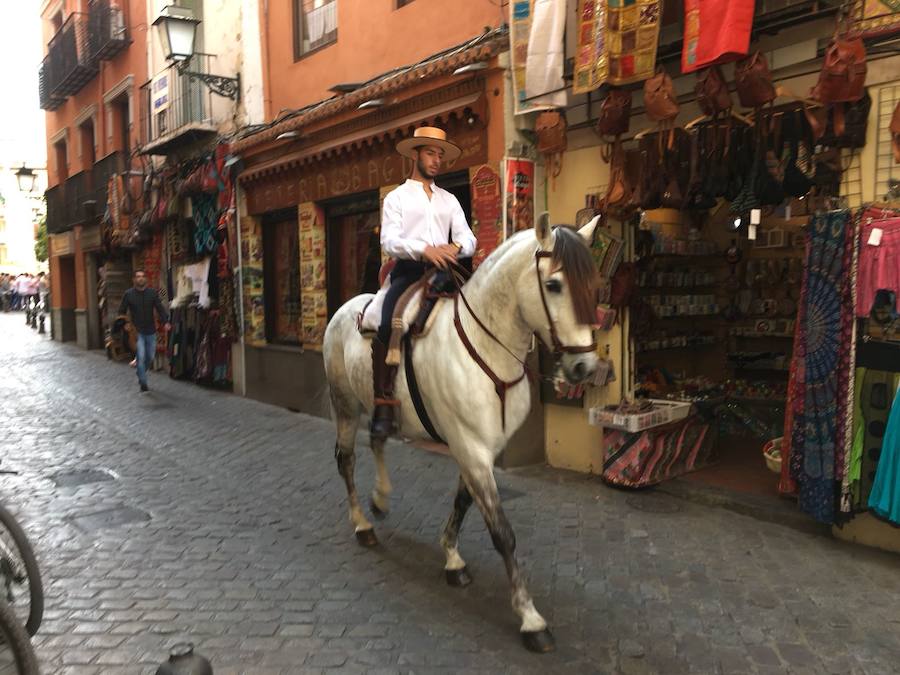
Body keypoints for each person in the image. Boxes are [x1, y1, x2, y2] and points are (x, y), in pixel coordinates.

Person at [371, 126, 477, 439]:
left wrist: (454, 248)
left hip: (446, 271)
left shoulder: (449, 200)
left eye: (440, 155)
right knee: (389, 322)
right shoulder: (396, 198)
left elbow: (468, 238)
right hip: (409, 272)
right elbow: (390, 241)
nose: (436, 160)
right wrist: (425, 249)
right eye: (430, 153)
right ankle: (383, 401)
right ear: (415, 155)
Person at [117, 270, 170, 393]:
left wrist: (165, 321)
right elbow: (121, 311)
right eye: (138, 277)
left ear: (146, 279)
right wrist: (125, 324)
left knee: (150, 357)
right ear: (134, 280)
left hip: (150, 330)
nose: (140, 279)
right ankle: (143, 382)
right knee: (140, 356)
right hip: (137, 332)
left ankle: (141, 372)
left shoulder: (152, 293)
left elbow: (160, 308)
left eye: (142, 276)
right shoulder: (128, 294)